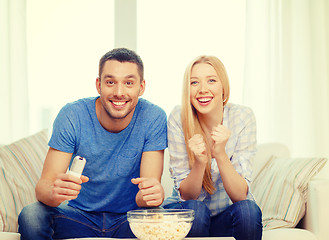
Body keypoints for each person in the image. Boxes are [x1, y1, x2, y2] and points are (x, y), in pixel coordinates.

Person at [18, 48, 168, 239]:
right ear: (98, 85)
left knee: (169, 218)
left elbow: (144, 195)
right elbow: (43, 187)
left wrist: (152, 195)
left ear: (142, 87)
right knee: (31, 215)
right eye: (110, 82)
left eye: (129, 83)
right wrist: (54, 193)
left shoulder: (153, 117)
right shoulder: (72, 115)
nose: (119, 92)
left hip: (129, 220)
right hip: (78, 217)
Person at [162, 55, 263, 240]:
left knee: (248, 210)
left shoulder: (242, 117)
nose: (202, 89)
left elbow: (240, 195)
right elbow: (187, 195)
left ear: (223, 87)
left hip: (225, 215)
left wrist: (220, 154)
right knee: (196, 210)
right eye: (194, 83)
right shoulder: (179, 117)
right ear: (187, 89)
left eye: (211, 80)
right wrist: (200, 162)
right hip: (188, 210)